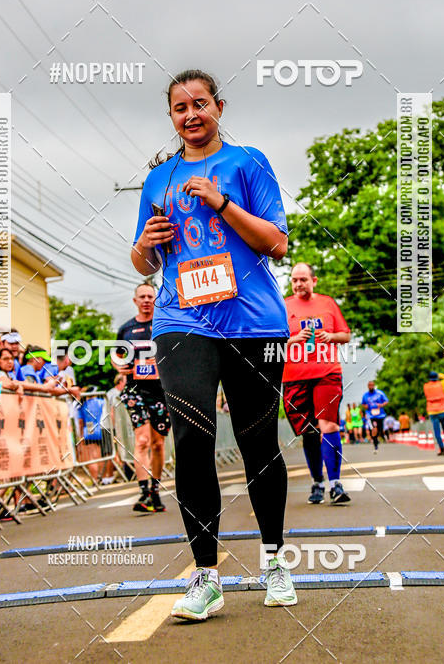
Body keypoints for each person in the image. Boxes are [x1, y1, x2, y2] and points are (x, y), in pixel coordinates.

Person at [131, 68, 296, 620]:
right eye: (181, 108)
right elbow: (143, 260)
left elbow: (276, 242)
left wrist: (223, 204)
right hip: (183, 321)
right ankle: (206, 577)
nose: (191, 115)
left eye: (200, 103)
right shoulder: (159, 179)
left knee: (257, 442)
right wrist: (147, 245)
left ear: (219, 107)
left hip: (253, 322)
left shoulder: (248, 162)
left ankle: (274, 561)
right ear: (172, 117)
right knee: (193, 436)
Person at [283, 263, 352, 505]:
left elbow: (346, 335)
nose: (298, 284)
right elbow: (271, 343)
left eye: (303, 279)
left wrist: (330, 336)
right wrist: (293, 340)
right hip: (294, 377)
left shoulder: (327, 303)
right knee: (309, 432)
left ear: (314, 281)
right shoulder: (284, 306)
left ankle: (335, 483)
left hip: (327, 373)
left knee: (328, 424)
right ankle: (317, 482)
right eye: (294, 280)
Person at [115, 283, 171, 513]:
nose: (147, 300)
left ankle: (155, 491)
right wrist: (119, 366)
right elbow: (117, 356)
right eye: (142, 296)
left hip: (161, 390)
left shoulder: (164, 324)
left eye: (150, 296)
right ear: (135, 300)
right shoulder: (126, 329)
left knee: (157, 443)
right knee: (142, 441)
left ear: (155, 300)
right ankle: (144, 492)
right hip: (135, 390)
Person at [423, 371, 444, 456]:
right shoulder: (441, 384)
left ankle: (442, 450)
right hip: (442, 410)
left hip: (432, 412)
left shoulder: (426, 386)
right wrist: (439, 375)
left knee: (437, 432)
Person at [361, 381, 389, 454]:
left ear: (374, 386)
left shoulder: (380, 393)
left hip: (380, 415)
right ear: (368, 386)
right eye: (369, 385)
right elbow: (363, 404)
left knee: (379, 429)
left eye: (372, 385)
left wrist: (381, 405)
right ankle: (375, 444)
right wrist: (366, 406)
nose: (371, 387)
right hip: (371, 415)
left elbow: (386, 401)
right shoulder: (365, 395)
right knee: (373, 429)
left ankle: (380, 436)